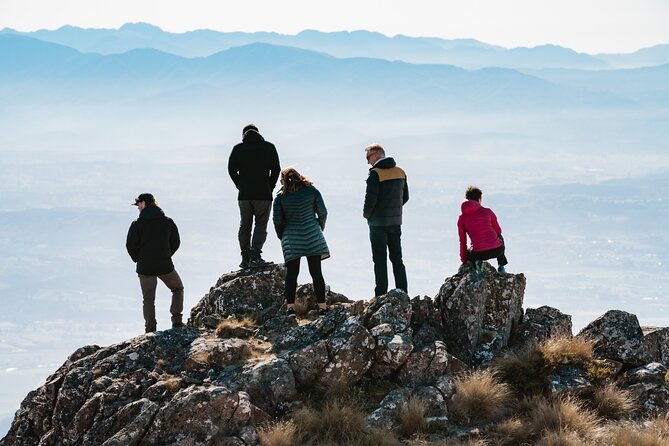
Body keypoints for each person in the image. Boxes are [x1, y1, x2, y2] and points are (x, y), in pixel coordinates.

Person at [273, 167, 330, 316]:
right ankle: (323, 307)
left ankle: (290, 308)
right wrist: (318, 227)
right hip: (312, 234)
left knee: (292, 274)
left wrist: (283, 235)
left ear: (283, 181)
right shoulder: (312, 191)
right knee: (316, 272)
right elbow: (323, 212)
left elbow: (277, 221)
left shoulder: (280, 198)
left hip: (291, 237)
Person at [126, 193, 184, 333]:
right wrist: (166, 255)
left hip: (145, 268)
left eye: (138, 204)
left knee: (148, 299)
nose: (138, 208)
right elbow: (176, 242)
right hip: (164, 265)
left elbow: (130, 245)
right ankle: (177, 321)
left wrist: (138, 259)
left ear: (144, 203)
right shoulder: (167, 221)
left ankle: (150, 329)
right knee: (177, 289)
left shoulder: (137, 224)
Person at [228, 124, 281, 268]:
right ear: (258, 133)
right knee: (261, 224)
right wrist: (270, 186)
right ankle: (255, 255)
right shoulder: (269, 147)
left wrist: (239, 185)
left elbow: (231, 169)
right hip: (263, 194)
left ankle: (245, 257)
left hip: (244, 195)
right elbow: (276, 169)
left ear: (243, 135)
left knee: (245, 225)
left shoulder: (238, 148)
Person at [363, 144, 409, 297]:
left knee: (380, 260)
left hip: (377, 224)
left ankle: (380, 295)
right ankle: (402, 292)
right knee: (397, 258)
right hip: (395, 222)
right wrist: (393, 210)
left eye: (368, 157)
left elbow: (370, 200)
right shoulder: (401, 172)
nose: (367, 162)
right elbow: (405, 197)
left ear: (376, 155)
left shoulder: (375, 174)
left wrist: (367, 215)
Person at [457, 186, 509, 272]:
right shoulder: (487, 211)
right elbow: (498, 231)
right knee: (500, 237)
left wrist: (464, 260)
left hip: (478, 254)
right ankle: (501, 266)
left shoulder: (462, 218)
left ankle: (476, 265)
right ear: (479, 199)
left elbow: (463, 241)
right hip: (497, 250)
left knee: (470, 250)